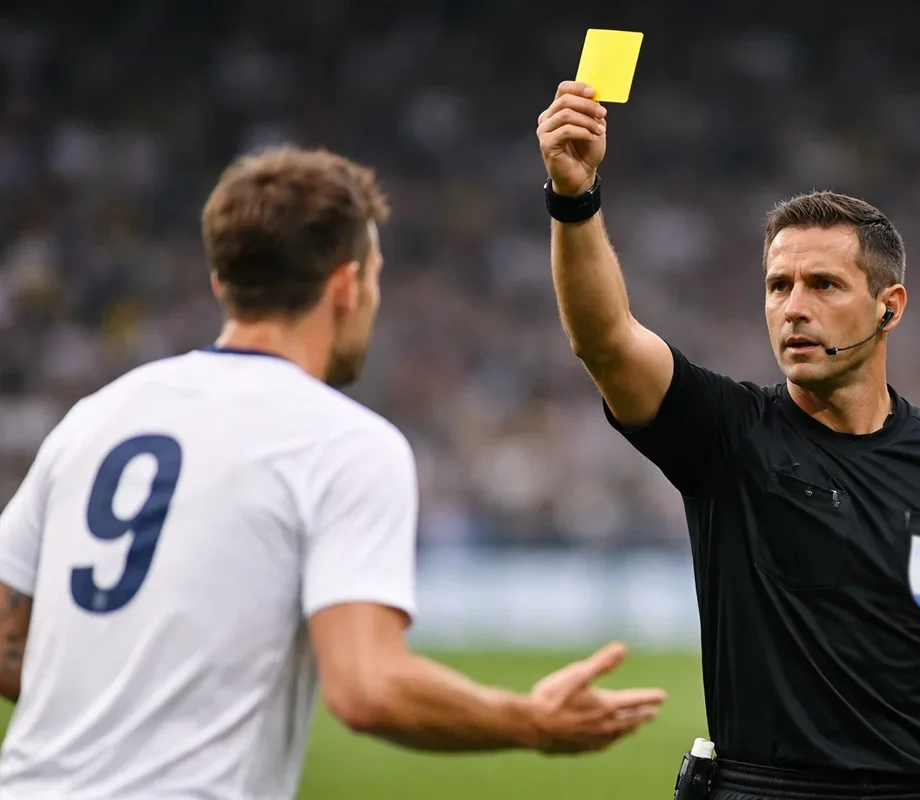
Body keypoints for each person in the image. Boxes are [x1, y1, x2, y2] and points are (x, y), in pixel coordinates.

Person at [0, 145, 666, 799]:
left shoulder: (94, 418)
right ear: (348, 284)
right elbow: (367, 688)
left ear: (222, 284)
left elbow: (8, 633)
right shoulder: (343, 442)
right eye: (375, 275)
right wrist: (532, 721)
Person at [535, 81, 920, 800]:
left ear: (889, 307)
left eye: (824, 285)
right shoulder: (726, 436)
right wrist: (574, 197)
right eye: (778, 286)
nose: (794, 309)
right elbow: (605, 341)